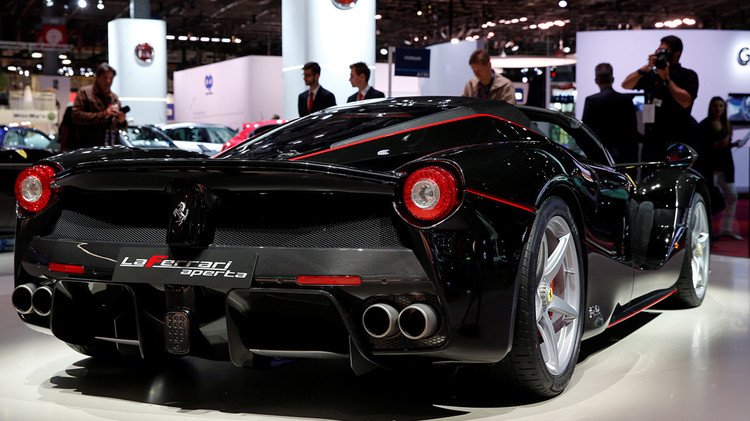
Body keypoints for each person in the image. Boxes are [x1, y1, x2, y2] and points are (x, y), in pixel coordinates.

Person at [621, 35, 699, 162]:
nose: (659, 53)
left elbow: (686, 102)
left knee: (674, 174)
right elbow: (626, 85)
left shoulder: (688, 75)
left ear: (677, 54)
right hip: (651, 141)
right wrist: (646, 67)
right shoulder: (651, 75)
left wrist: (667, 80)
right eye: (658, 50)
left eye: (664, 51)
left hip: (677, 140)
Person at [698, 97, 743, 240]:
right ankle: (707, 230)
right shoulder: (704, 125)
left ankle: (726, 228)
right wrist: (719, 144)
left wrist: (733, 144)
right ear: (711, 107)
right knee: (710, 200)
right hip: (711, 167)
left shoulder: (726, 124)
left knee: (732, 196)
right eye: (715, 105)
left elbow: (725, 145)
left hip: (726, 167)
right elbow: (703, 146)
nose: (718, 108)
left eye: (721, 106)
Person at [582, 63, 638, 163]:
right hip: (625, 155)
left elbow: (586, 130)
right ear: (613, 79)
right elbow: (633, 131)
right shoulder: (626, 100)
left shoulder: (591, 100)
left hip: (601, 156)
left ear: (596, 81)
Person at [72, 62, 127, 149]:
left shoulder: (114, 98)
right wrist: (104, 114)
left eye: (111, 78)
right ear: (97, 77)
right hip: (89, 147)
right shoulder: (84, 92)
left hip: (111, 146)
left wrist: (122, 121)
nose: (108, 81)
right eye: (104, 78)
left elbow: (119, 125)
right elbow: (76, 116)